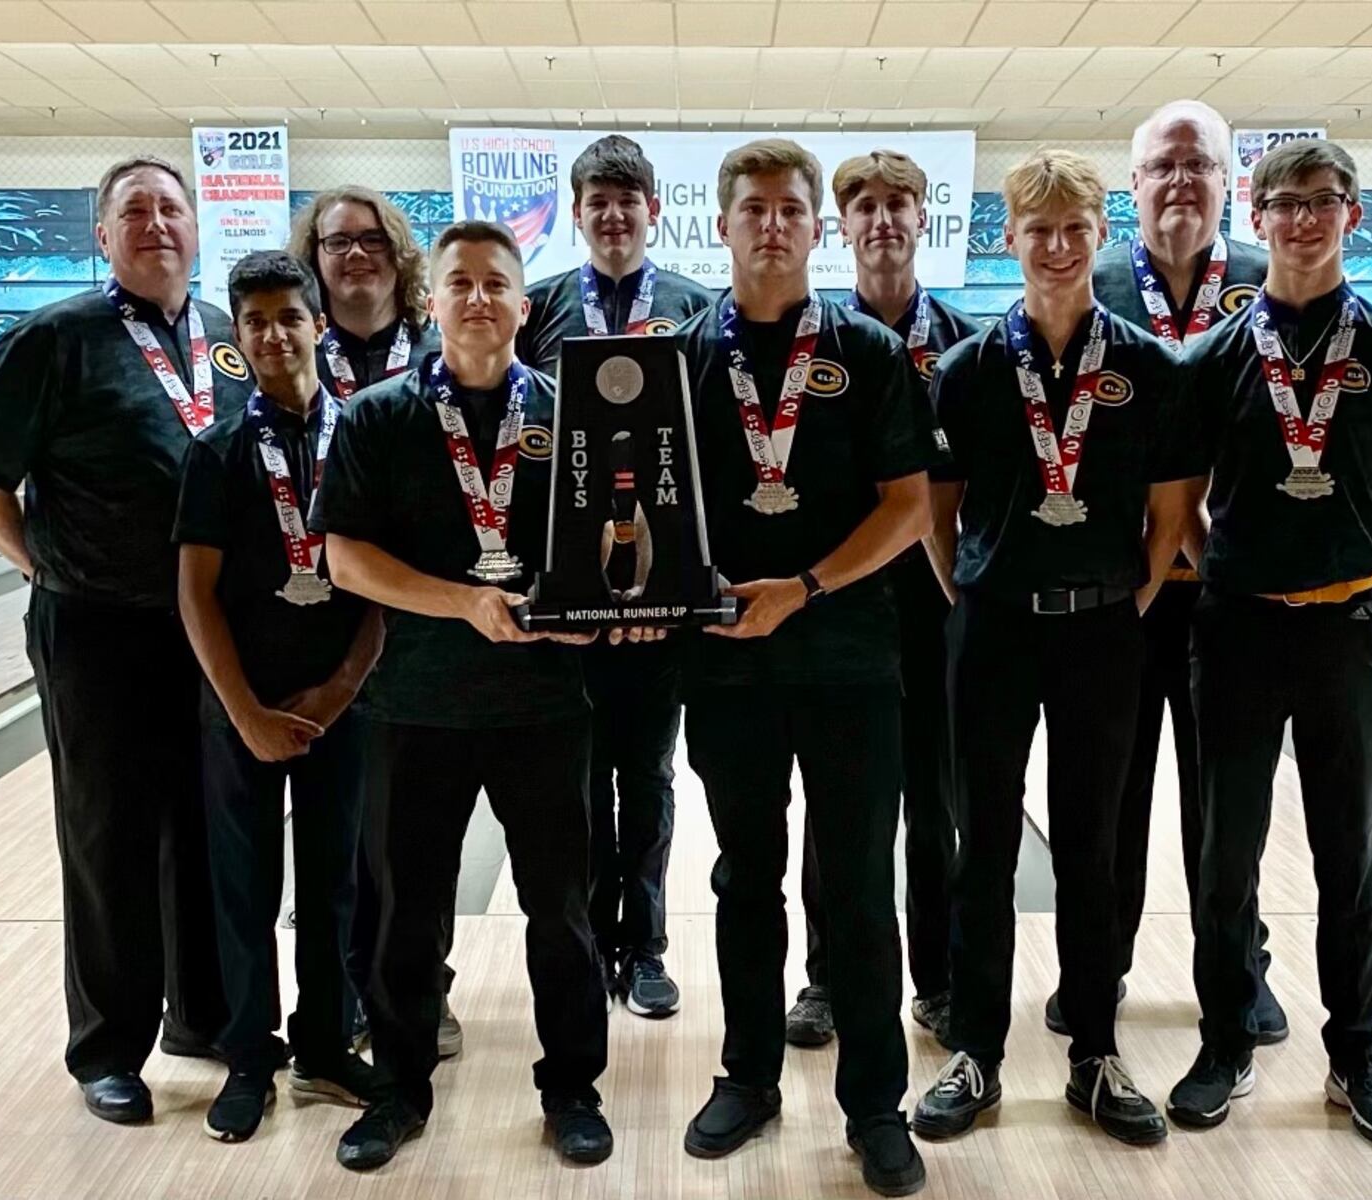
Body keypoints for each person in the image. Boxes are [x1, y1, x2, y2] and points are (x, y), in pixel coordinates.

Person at [0, 156, 245, 1123]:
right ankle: (108, 1047)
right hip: (99, 628)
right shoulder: (55, 337)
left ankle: (201, 1017)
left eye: (171, 208)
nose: (157, 223)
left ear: (197, 229)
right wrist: (41, 565)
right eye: (133, 212)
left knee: (207, 825)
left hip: (213, 627)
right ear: (102, 238)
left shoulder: (231, 340)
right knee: (109, 832)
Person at [310, 221, 613, 1171]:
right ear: (429, 303)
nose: (478, 299)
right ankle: (399, 1091)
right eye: (459, 284)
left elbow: (620, 540)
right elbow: (345, 556)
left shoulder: (573, 415)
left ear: (526, 306)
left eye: (497, 283)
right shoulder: (377, 416)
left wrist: (609, 610)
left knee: (562, 911)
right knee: (405, 913)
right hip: (414, 708)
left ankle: (572, 1087)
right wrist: (464, 605)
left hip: (548, 707)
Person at [912, 148, 1199, 1147]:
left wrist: (1129, 598)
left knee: (1092, 849)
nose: (1058, 245)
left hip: (1101, 629)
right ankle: (976, 1054)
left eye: (1076, 227)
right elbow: (936, 519)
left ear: (1098, 233)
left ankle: (1093, 1052)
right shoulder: (966, 371)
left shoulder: (1148, 368)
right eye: (1038, 228)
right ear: (1009, 238)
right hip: (991, 630)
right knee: (981, 846)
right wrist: (977, 597)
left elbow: (1172, 515)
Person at [672, 138, 940, 1198]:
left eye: (791, 209)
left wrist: (807, 587)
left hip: (846, 663)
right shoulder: (682, 359)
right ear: (723, 225)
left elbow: (908, 505)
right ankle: (748, 1075)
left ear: (812, 229)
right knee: (745, 881)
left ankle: (875, 1107)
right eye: (755, 209)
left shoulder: (868, 354)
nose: (774, 225)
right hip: (727, 667)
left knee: (863, 892)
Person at [1166, 139, 1372, 1146]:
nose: (1303, 219)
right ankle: (1225, 1041)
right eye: (1283, 203)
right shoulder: (1213, 359)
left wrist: (1336, 570)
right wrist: (1237, 574)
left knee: (1346, 855)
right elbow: (1181, 510)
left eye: (1322, 201)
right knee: (1224, 853)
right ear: (1255, 214)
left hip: (1348, 636)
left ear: (1351, 214)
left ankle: (1355, 1057)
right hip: (1234, 632)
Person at [1051, 99, 1287, 1043]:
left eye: (1201, 166)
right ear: (1134, 183)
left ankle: (1237, 970)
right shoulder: (1091, 281)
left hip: (1228, 596)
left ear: (1230, 182)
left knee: (1223, 806)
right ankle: (1096, 972)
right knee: (1111, 800)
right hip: (1128, 589)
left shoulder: (1275, 283)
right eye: (1163, 167)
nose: (1181, 182)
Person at [174, 251, 386, 1142]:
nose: (271, 334)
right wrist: (245, 714)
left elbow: (381, 589)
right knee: (244, 885)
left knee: (338, 881)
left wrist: (339, 691)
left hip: (344, 701)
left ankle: (328, 1045)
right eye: (252, 320)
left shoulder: (364, 436)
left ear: (318, 324)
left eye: (287, 317)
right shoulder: (217, 451)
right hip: (243, 708)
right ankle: (251, 1056)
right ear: (238, 334)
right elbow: (195, 594)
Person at [784, 149, 981, 1050]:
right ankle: (825, 978)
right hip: (845, 603)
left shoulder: (973, 345)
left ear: (922, 218)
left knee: (934, 806)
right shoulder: (811, 346)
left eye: (898, 203)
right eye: (862, 206)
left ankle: (936, 979)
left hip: (941, 605)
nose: (882, 220)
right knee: (835, 812)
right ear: (843, 226)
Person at [515, 135, 713, 1018]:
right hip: (572, 597)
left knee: (652, 776)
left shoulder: (693, 310)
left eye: (628, 199)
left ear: (653, 210)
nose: (613, 214)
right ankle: (593, 942)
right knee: (582, 778)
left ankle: (649, 949)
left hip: (662, 598)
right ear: (578, 209)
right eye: (597, 200)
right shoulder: (542, 307)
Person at [289, 186, 462, 1060]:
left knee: (415, 833)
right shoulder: (289, 358)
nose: (353, 256)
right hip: (318, 619)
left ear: (398, 256)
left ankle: (426, 986)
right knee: (342, 836)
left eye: (370, 241)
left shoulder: (443, 353)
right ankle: (347, 997)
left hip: (425, 626)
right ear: (313, 260)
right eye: (334, 243)